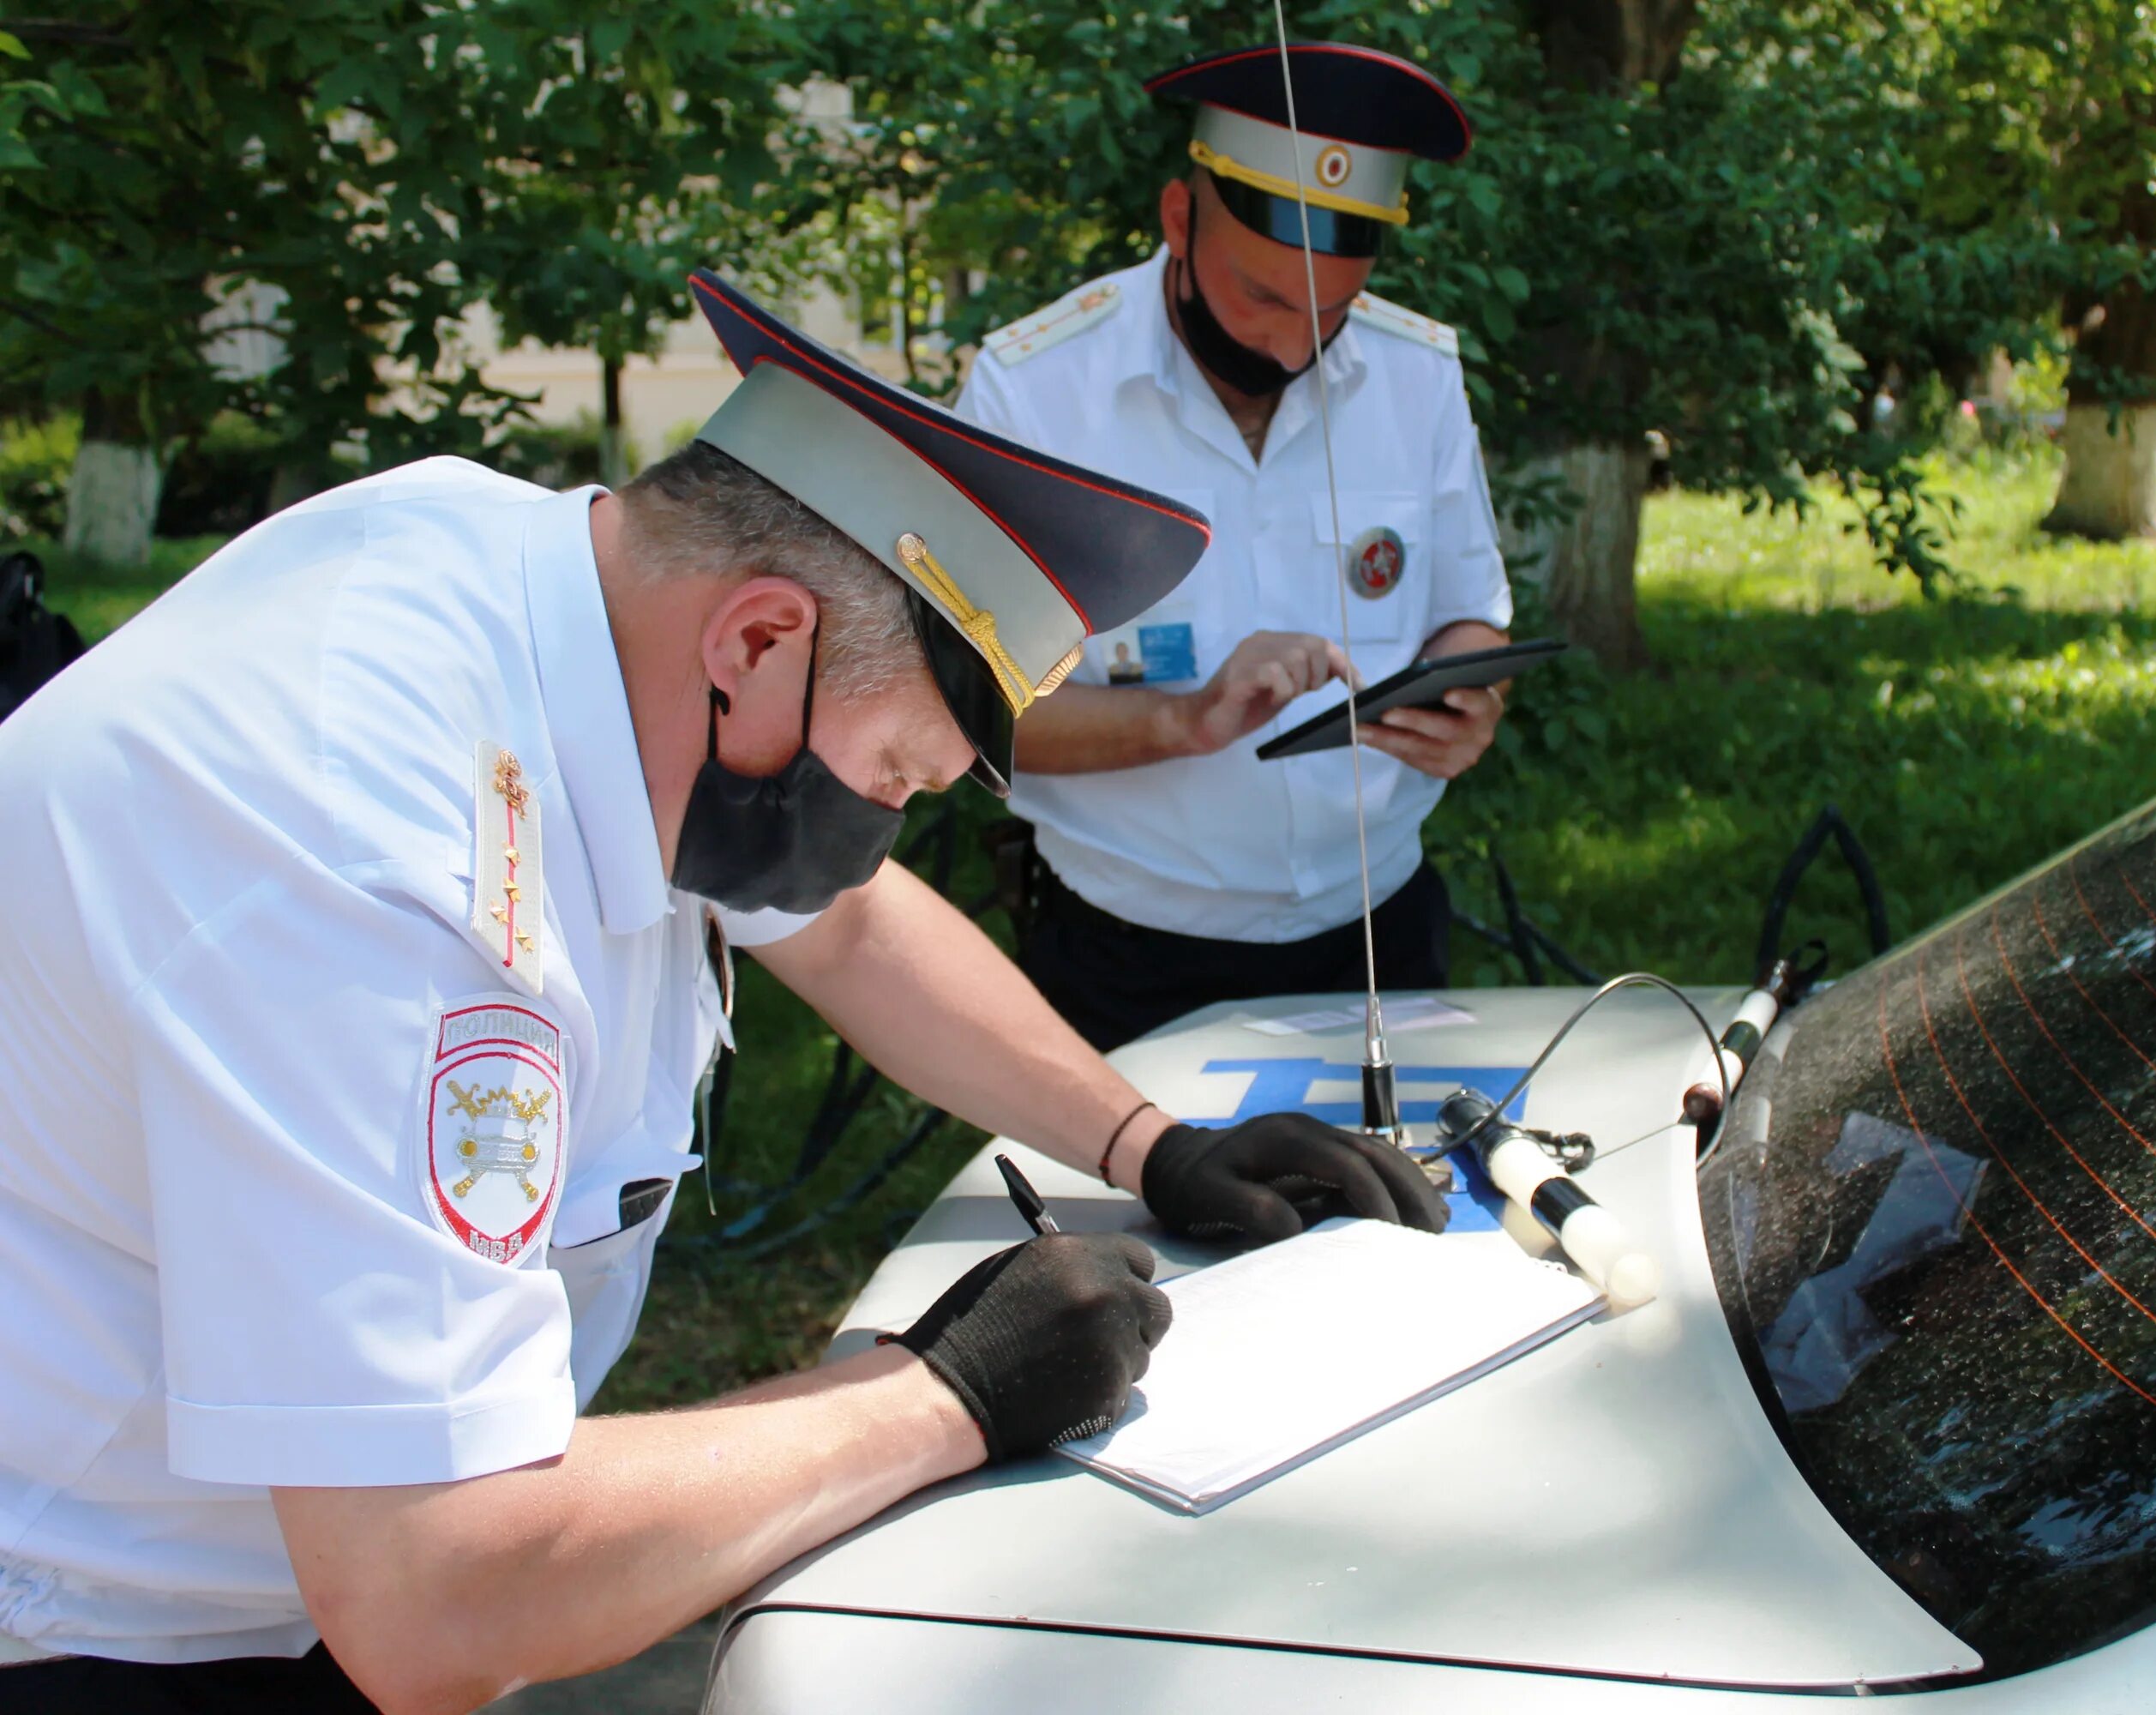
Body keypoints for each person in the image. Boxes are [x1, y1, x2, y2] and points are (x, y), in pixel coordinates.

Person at [0, 274, 1446, 1713]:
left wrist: (1149, 1142)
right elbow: (436, 1589)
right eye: (889, 782)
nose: (872, 838)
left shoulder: (583, 599)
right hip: (113, 1628)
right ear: (757, 640)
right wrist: (941, 1397)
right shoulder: (360, 851)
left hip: (292, 1560)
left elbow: (847, 925)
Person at [955, 43, 1516, 1050]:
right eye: (1262, 297)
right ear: (1179, 218)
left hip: (1380, 931)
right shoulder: (1034, 392)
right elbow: (969, 708)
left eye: (1332, 312)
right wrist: (1183, 719)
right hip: (1128, 951)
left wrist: (1469, 701)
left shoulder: (1415, 375)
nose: (1295, 348)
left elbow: (1468, 611)